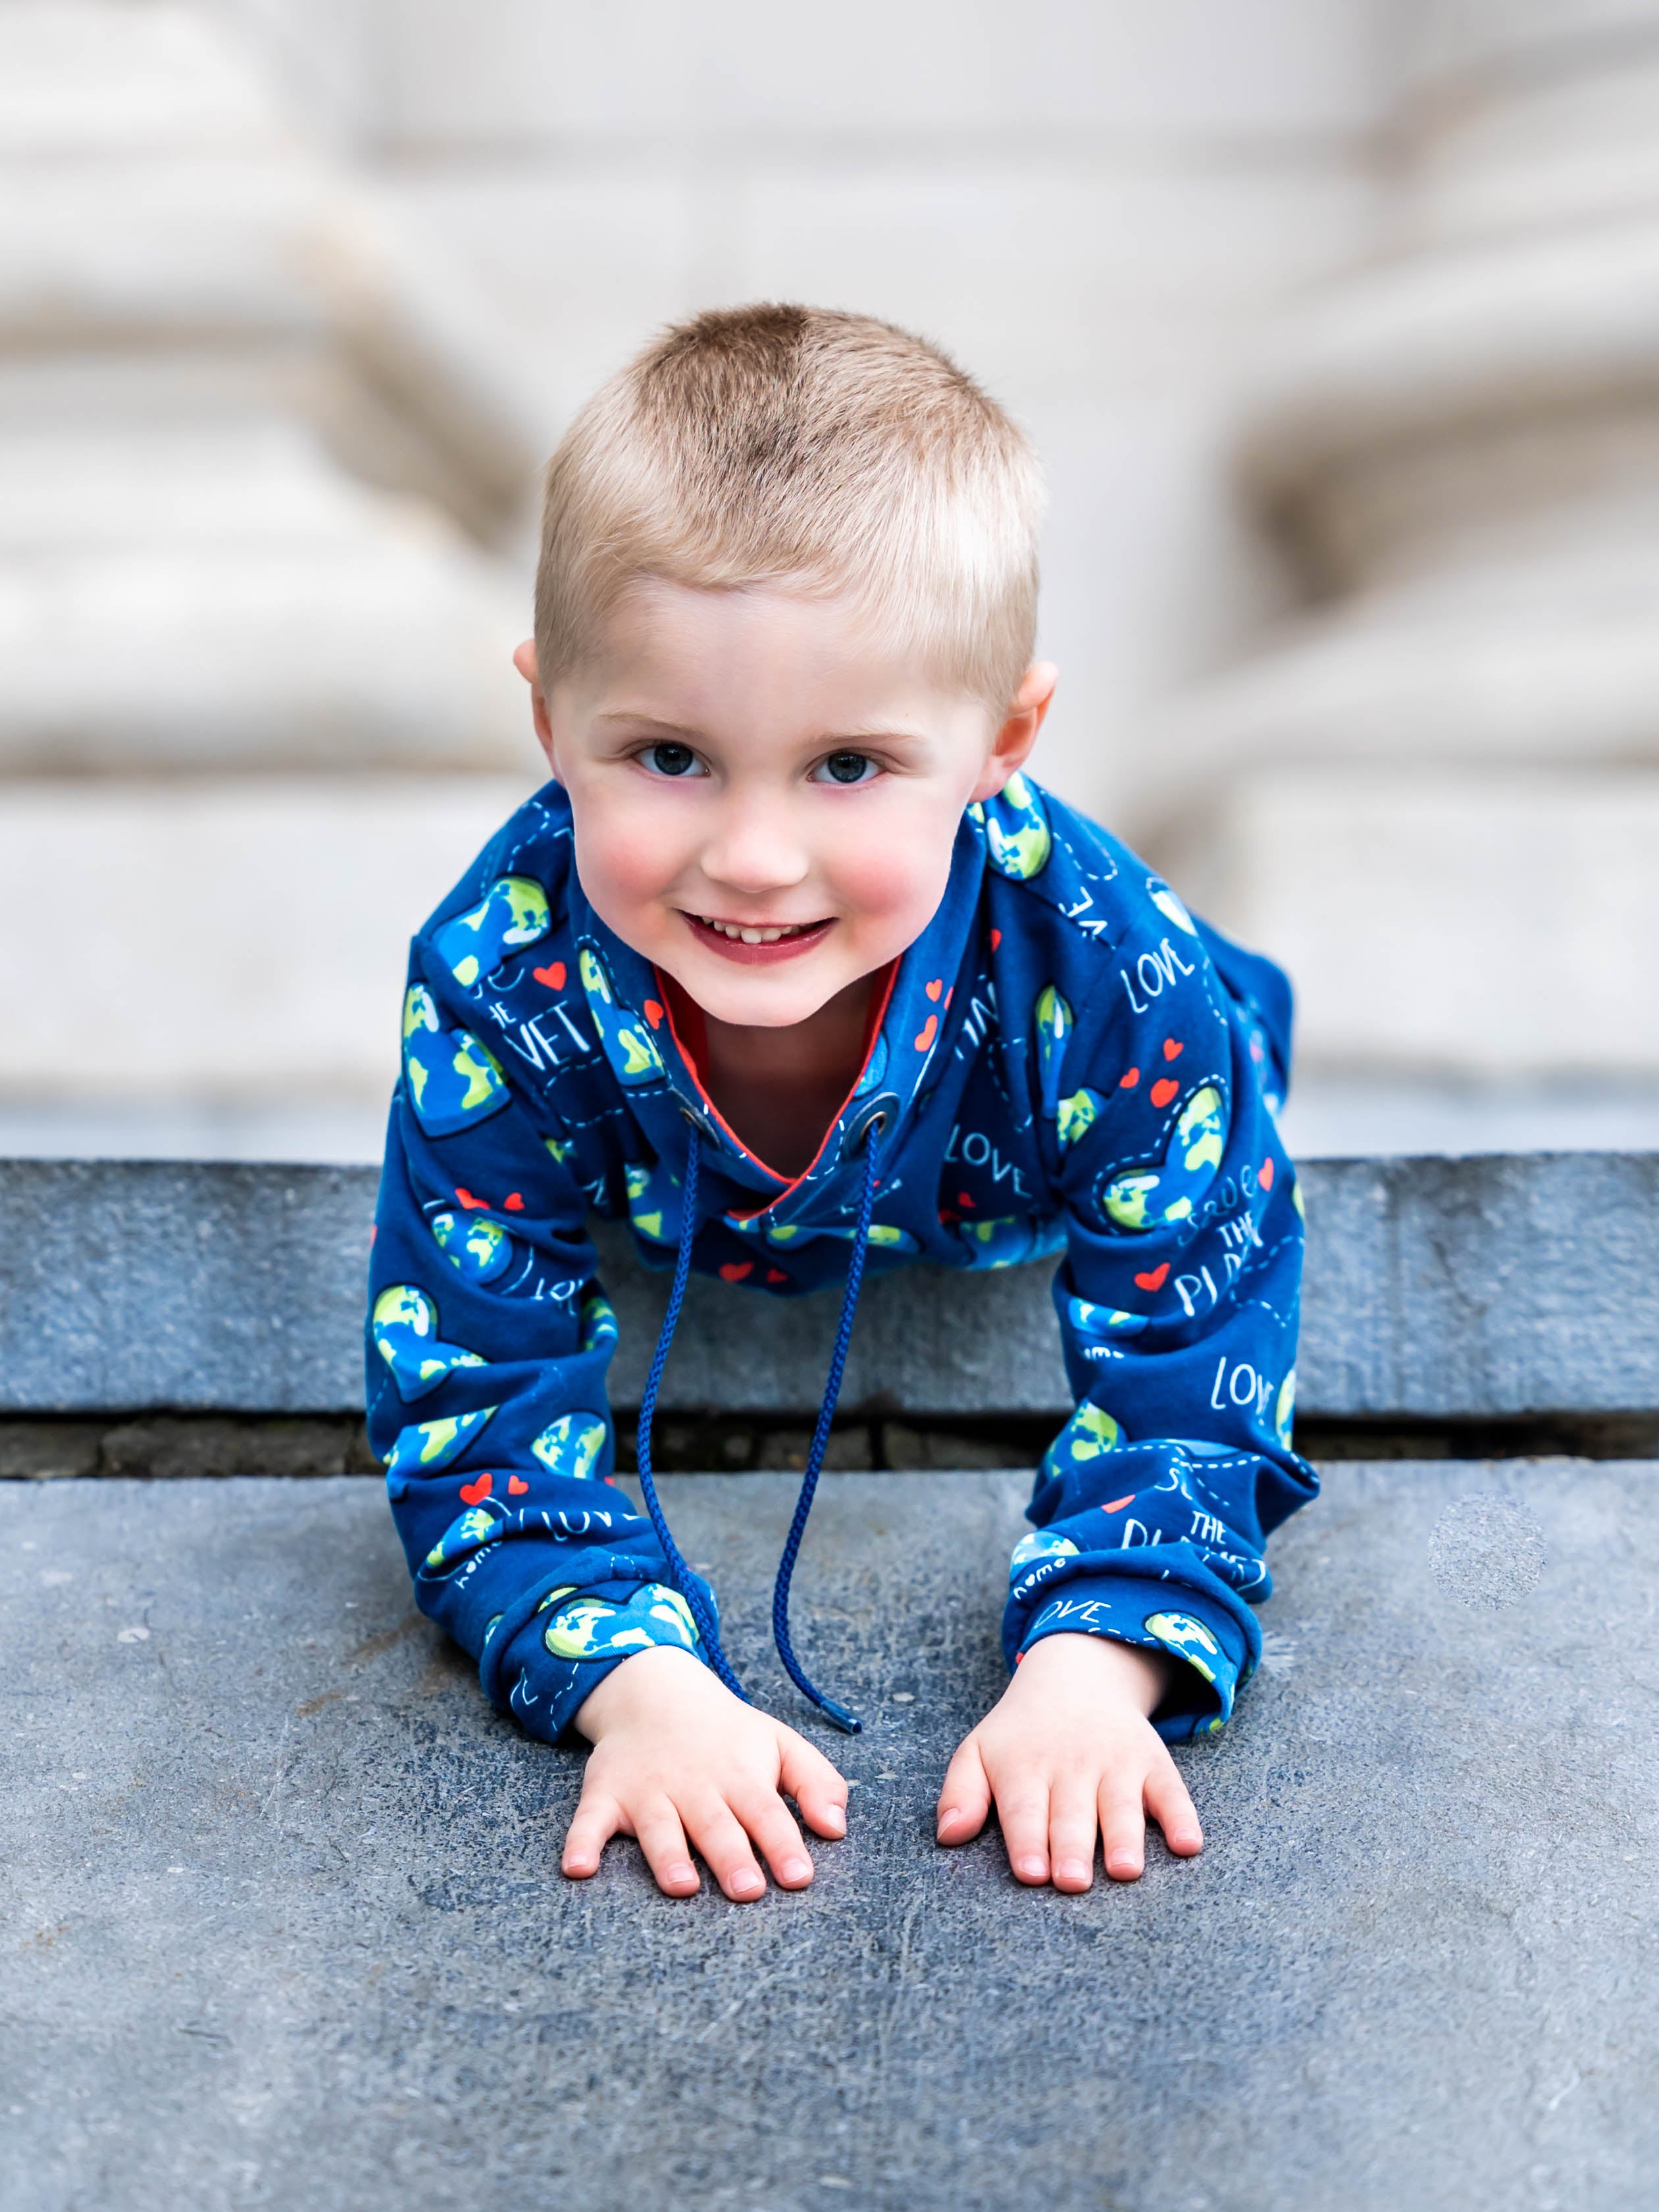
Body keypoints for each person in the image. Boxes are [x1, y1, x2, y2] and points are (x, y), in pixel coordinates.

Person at [367, 303, 1315, 1903]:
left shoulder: (1109, 976)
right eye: (668, 752)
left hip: (1037, 1128)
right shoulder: (493, 978)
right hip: (699, 1177)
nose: (751, 854)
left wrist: (1098, 1661)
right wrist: (636, 1689)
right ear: (548, 722)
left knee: (1219, 1038)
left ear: (1003, 740)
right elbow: (470, 1400)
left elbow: (1190, 1368)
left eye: (849, 766)